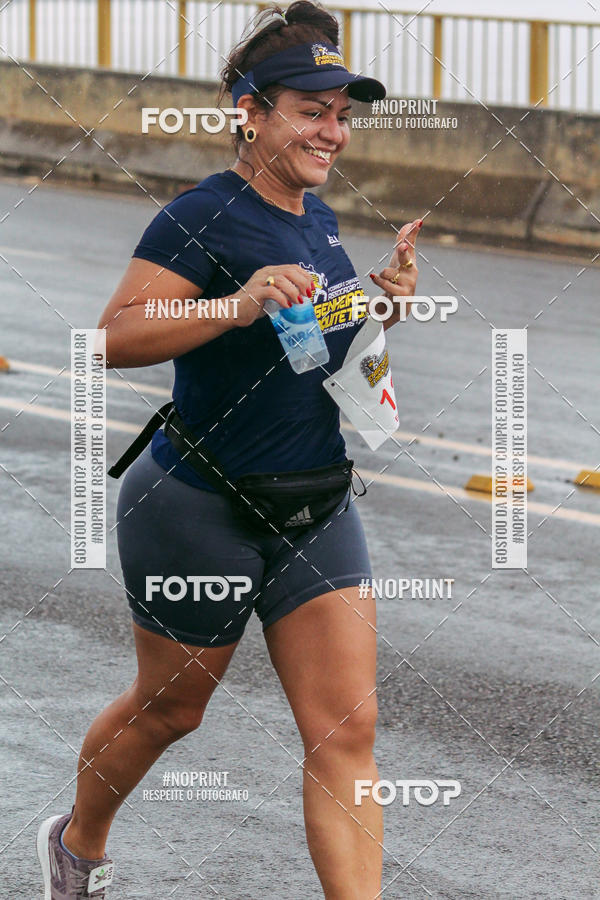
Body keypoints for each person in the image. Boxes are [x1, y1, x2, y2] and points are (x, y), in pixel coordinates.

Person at [37, 2, 420, 896]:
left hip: (315, 505)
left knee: (346, 733)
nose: (333, 132)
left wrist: (374, 299)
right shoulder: (198, 215)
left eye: (342, 115)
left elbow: (305, 337)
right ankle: (79, 840)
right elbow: (112, 337)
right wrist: (233, 303)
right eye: (311, 111)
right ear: (250, 112)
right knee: (174, 707)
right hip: (200, 505)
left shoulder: (314, 219)